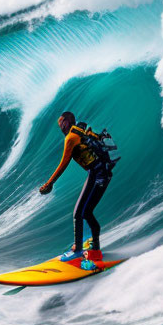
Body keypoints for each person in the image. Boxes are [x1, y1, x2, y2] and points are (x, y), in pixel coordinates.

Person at [39, 111, 112, 266]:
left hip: (99, 174)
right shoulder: (80, 131)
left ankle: (83, 250)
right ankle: (91, 247)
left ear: (66, 121)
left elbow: (64, 163)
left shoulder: (71, 138)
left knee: (81, 212)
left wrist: (49, 183)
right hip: (98, 172)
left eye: (60, 122)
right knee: (84, 212)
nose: (59, 126)